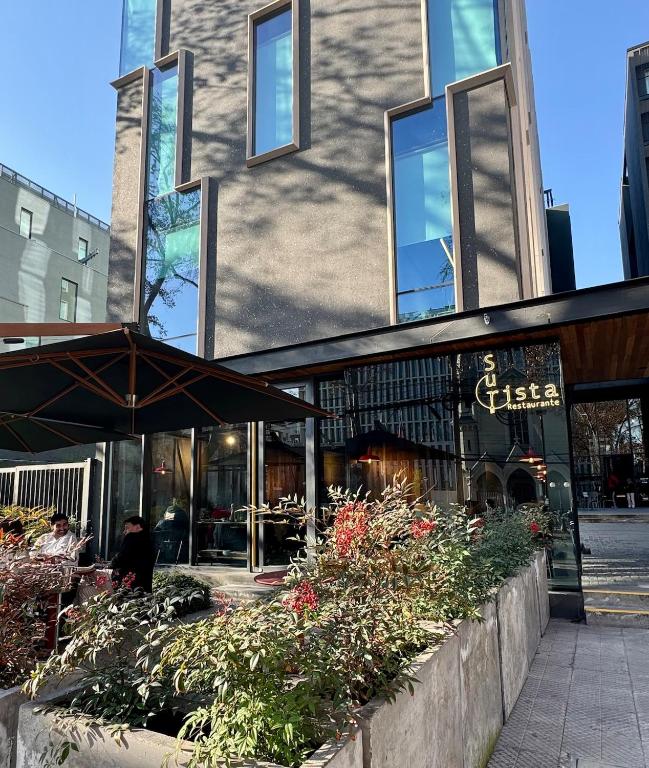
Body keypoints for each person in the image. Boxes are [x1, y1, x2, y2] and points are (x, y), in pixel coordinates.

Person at [111, 516, 154, 592]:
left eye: (127, 528)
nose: (124, 531)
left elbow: (121, 558)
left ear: (138, 527)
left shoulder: (131, 538)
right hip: (144, 583)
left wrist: (112, 563)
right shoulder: (149, 540)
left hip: (129, 582)